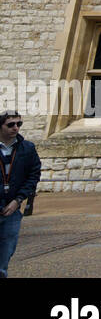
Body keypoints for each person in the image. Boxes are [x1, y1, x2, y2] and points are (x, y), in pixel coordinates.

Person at [0, 109, 41, 279]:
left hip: (12, 209)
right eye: (11, 124)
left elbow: (33, 175)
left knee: (5, 255)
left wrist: (18, 200)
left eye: (19, 124)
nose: (16, 128)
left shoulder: (27, 148)